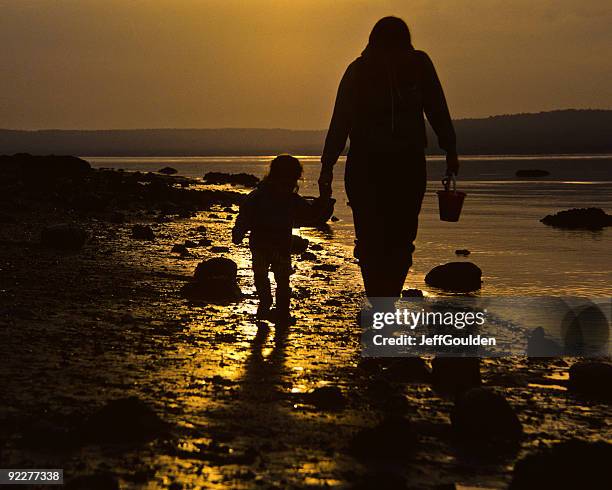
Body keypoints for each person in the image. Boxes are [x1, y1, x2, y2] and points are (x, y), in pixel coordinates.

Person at [318, 16, 459, 298]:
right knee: (401, 237)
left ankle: (379, 299)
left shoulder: (359, 70)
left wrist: (328, 165)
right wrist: (450, 150)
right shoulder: (417, 65)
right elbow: (437, 109)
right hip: (403, 164)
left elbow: (340, 122)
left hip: (366, 165)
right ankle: (387, 300)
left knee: (372, 237)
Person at [233, 155, 334, 324]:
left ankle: (275, 308)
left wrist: (323, 201)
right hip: (271, 245)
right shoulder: (267, 196)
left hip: (270, 245)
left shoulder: (272, 196)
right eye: (292, 178)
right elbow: (309, 215)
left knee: (272, 278)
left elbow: (309, 215)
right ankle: (274, 307)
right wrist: (323, 202)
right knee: (274, 278)